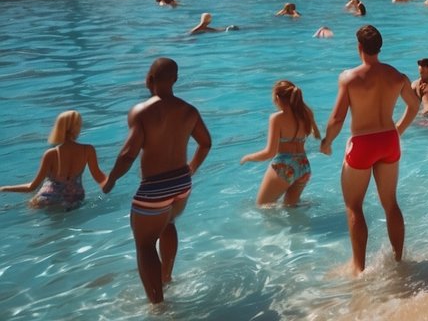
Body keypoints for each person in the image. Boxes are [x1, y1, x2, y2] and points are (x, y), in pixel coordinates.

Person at [102, 58, 212, 304]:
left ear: (148, 79)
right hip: (182, 184)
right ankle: (167, 278)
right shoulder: (189, 110)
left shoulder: (141, 112)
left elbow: (128, 153)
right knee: (168, 222)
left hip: (154, 189)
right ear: (175, 80)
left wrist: (111, 180)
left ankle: (158, 307)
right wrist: (191, 168)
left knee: (145, 245)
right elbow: (206, 143)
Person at [319, 25, 421, 273]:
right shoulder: (397, 76)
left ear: (359, 48)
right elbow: (414, 105)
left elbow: (336, 120)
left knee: (354, 206)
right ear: (380, 47)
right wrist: (399, 129)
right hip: (388, 140)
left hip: (363, 143)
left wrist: (327, 142)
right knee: (391, 203)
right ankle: (399, 260)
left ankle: (359, 268)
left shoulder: (349, 78)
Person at [1, 111, 105, 210]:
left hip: (49, 198)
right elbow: (100, 178)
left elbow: (32, 187)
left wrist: (5, 188)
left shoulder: (50, 154)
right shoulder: (88, 150)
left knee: (32, 201)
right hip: (74, 198)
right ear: (76, 127)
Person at [239, 80, 321, 206]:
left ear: (277, 97)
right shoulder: (306, 114)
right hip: (304, 166)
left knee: (263, 207)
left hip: (284, 166)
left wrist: (248, 157)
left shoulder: (277, 118)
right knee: (291, 208)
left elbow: (269, 153)